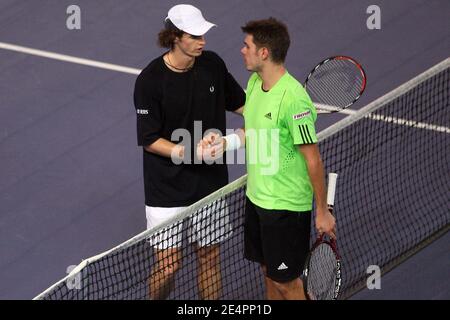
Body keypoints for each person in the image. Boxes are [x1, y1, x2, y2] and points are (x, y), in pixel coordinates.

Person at [206, 17, 336, 300]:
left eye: (247, 45)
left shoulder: (293, 99)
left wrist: (322, 210)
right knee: (269, 273)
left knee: (286, 284)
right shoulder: (254, 84)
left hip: (285, 208)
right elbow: (252, 129)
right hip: (256, 200)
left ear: (264, 52)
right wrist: (225, 143)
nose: (242, 50)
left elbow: (313, 159)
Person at [133, 4, 245, 300]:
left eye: (202, 35)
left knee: (209, 256)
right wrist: (189, 151)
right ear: (174, 37)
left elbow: (243, 105)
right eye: (194, 36)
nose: (202, 41)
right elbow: (149, 139)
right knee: (168, 265)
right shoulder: (149, 81)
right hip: (165, 188)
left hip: (209, 183)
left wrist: (275, 116)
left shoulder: (213, 65)